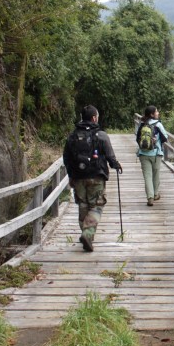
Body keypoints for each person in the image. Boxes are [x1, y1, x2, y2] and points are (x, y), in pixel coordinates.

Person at [63, 105, 122, 252]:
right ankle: (88, 234)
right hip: (96, 176)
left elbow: (67, 159)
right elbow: (110, 156)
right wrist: (116, 165)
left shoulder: (72, 136)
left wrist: (71, 176)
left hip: (78, 177)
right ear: (94, 118)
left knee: (83, 205)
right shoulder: (101, 135)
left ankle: (86, 234)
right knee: (96, 205)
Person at [136, 105, 169, 206]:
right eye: (157, 112)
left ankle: (150, 197)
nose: (158, 113)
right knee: (156, 175)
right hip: (156, 154)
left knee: (147, 176)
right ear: (152, 114)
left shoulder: (142, 124)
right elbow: (165, 138)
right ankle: (155, 194)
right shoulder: (158, 124)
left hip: (143, 154)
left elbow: (138, 139)